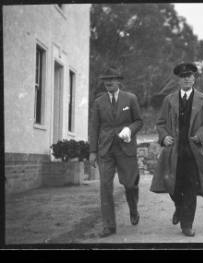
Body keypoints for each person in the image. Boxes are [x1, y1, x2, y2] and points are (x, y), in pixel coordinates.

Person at [150, 62, 203, 237]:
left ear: (194, 79)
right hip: (173, 150)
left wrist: (200, 136)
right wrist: (164, 137)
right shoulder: (169, 100)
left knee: (191, 187)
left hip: (193, 150)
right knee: (173, 185)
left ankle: (187, 225)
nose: (186, 79)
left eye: (189, 76)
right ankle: (178, 206)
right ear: (178, 80)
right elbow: (160, 123)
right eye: (183, 77)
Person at [89, 68, 143, 237]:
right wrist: (92, 151)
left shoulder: (130, 98)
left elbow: (139, 121)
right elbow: (94, 127)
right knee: (105, 187)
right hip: (106, 150)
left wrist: (129, 129)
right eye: (106, 80)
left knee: (130, 184)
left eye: (112, 79)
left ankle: (133, 209)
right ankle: (109, 226)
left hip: (126, 148)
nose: (109, 82)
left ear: (118, 81)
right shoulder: (98, 102)